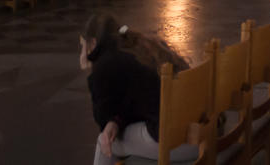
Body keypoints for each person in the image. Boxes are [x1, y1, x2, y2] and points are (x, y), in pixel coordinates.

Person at [80, 13, 196, 165]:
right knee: (111, 134)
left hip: (181, 142)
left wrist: (91, 70)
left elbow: (102, 118)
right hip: (204, 131)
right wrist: (116, 121)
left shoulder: (105, 64)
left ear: (93, 43)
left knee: (106, 141)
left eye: (82, 46)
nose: (81, 51)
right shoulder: (136, 48)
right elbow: (136, 103)